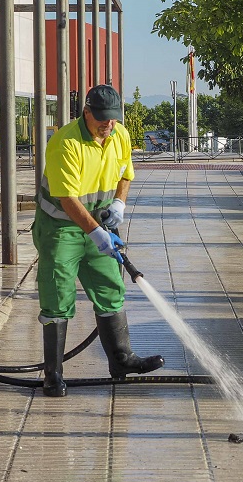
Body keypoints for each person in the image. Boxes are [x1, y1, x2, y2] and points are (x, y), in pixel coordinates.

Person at [32, 84, 163, 397]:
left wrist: (119, 203)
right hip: (61, 228)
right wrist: (94, 232)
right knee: (58, 294)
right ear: (86, 113)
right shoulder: (66, 142)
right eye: (102, 119)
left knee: (110, 288)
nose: (109, 125)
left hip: (98, 225)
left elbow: (126, 174)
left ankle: (122, 361)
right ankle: (53, 374)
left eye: (114, 119)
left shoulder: (120, 135)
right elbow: (65, 197)